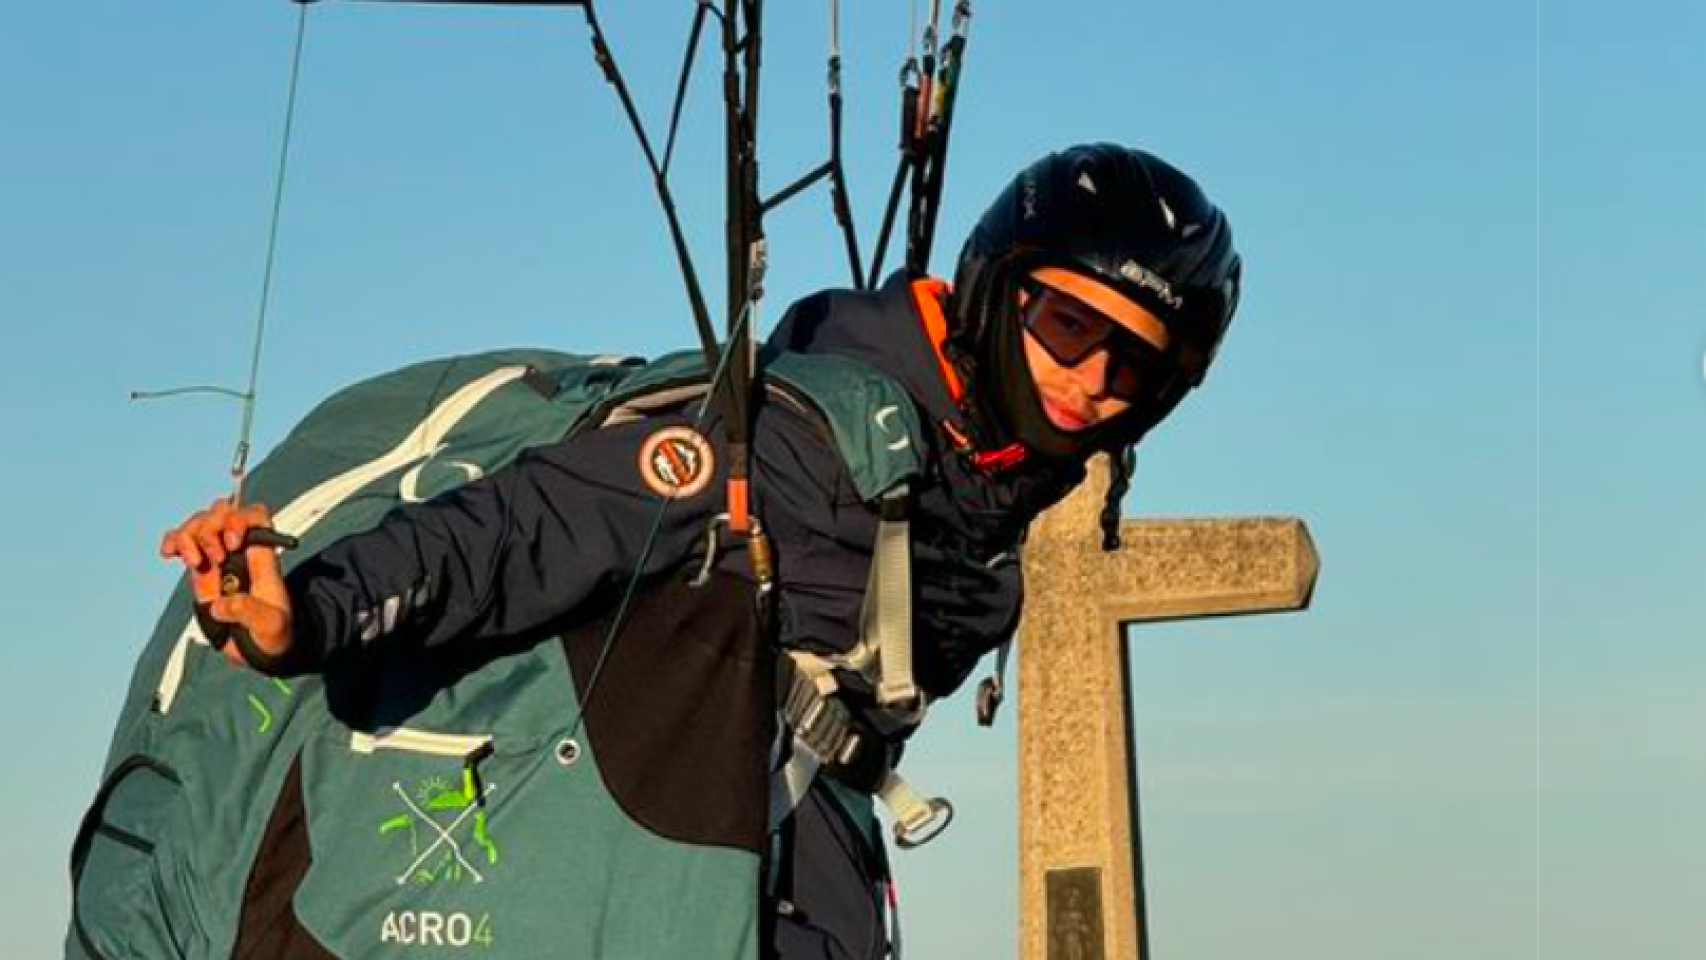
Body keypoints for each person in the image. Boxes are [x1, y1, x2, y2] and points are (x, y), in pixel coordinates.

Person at [159, 143, 1241, 960]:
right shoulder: (798, 438)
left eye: (1133, 366)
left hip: (806, 879)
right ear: (1000, 292)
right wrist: (311, 609)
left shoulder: (975, 499)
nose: (1090, 376)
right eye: (1066, 325)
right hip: (688, 888)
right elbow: (533, 520)